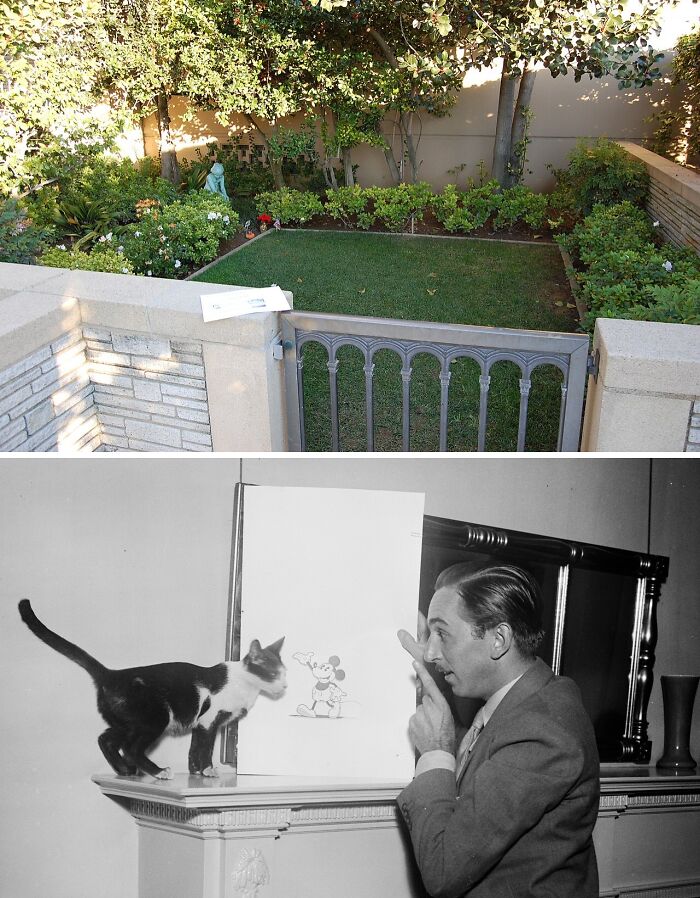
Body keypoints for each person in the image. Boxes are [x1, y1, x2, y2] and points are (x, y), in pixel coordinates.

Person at [396, 562, 599, 898]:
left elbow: (443, 869)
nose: (431, 652)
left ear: (498, 640)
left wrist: (435, 753)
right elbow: (486, 759)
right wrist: (434, 682)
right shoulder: (526, 702)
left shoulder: (542, 731)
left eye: (442, 633)